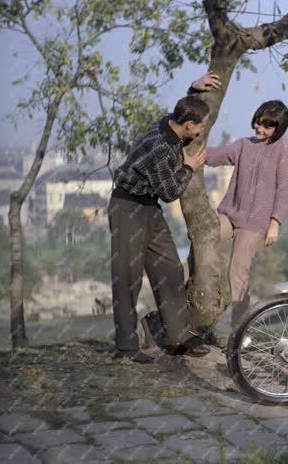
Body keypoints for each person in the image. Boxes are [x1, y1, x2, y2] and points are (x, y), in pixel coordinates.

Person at [108, 75, 218, 363]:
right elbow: (169, 192)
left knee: (168, 267)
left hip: (149, 208)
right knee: (127, 279)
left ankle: (177, 337)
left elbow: (179, 111)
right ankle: (126, 349)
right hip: (127, 208)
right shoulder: (160, 147)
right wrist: (188, 167)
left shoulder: (170, 121)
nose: (202, 130)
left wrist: (193, 89)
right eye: (201, 126)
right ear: (189, 126)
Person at [205, 100, 288, 329]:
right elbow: (217, 156)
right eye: (258, 122)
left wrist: (275, 223)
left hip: (255, 223)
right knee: (202, 237)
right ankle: (177, 289)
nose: (259, 128)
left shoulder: (283, 149)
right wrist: (194, 151)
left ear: (279, 129)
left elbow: (286, 189)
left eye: (267, 126)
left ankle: (240, 330)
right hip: (230, 214)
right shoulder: (244, 144)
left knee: (237, 272)